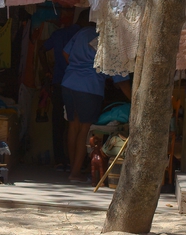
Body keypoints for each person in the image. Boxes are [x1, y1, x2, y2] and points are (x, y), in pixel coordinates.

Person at [58, 15, 130, 183]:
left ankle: (72, 167)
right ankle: (75, 172)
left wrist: (77, 67)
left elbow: (65, 52)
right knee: (85, 129)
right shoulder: (110, 39)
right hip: (89, 88)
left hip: (69, 83)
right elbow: (120, 78)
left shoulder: (83, 32)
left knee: (73, 126)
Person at [41, 11, 80, 171]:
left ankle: (60, 160)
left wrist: (46, 70)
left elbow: (40, 48)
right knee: (76, 123)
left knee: (58, 122)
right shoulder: (82, 35)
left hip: (59, 81)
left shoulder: (58, 34)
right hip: (77, 84)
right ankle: (76, 160)